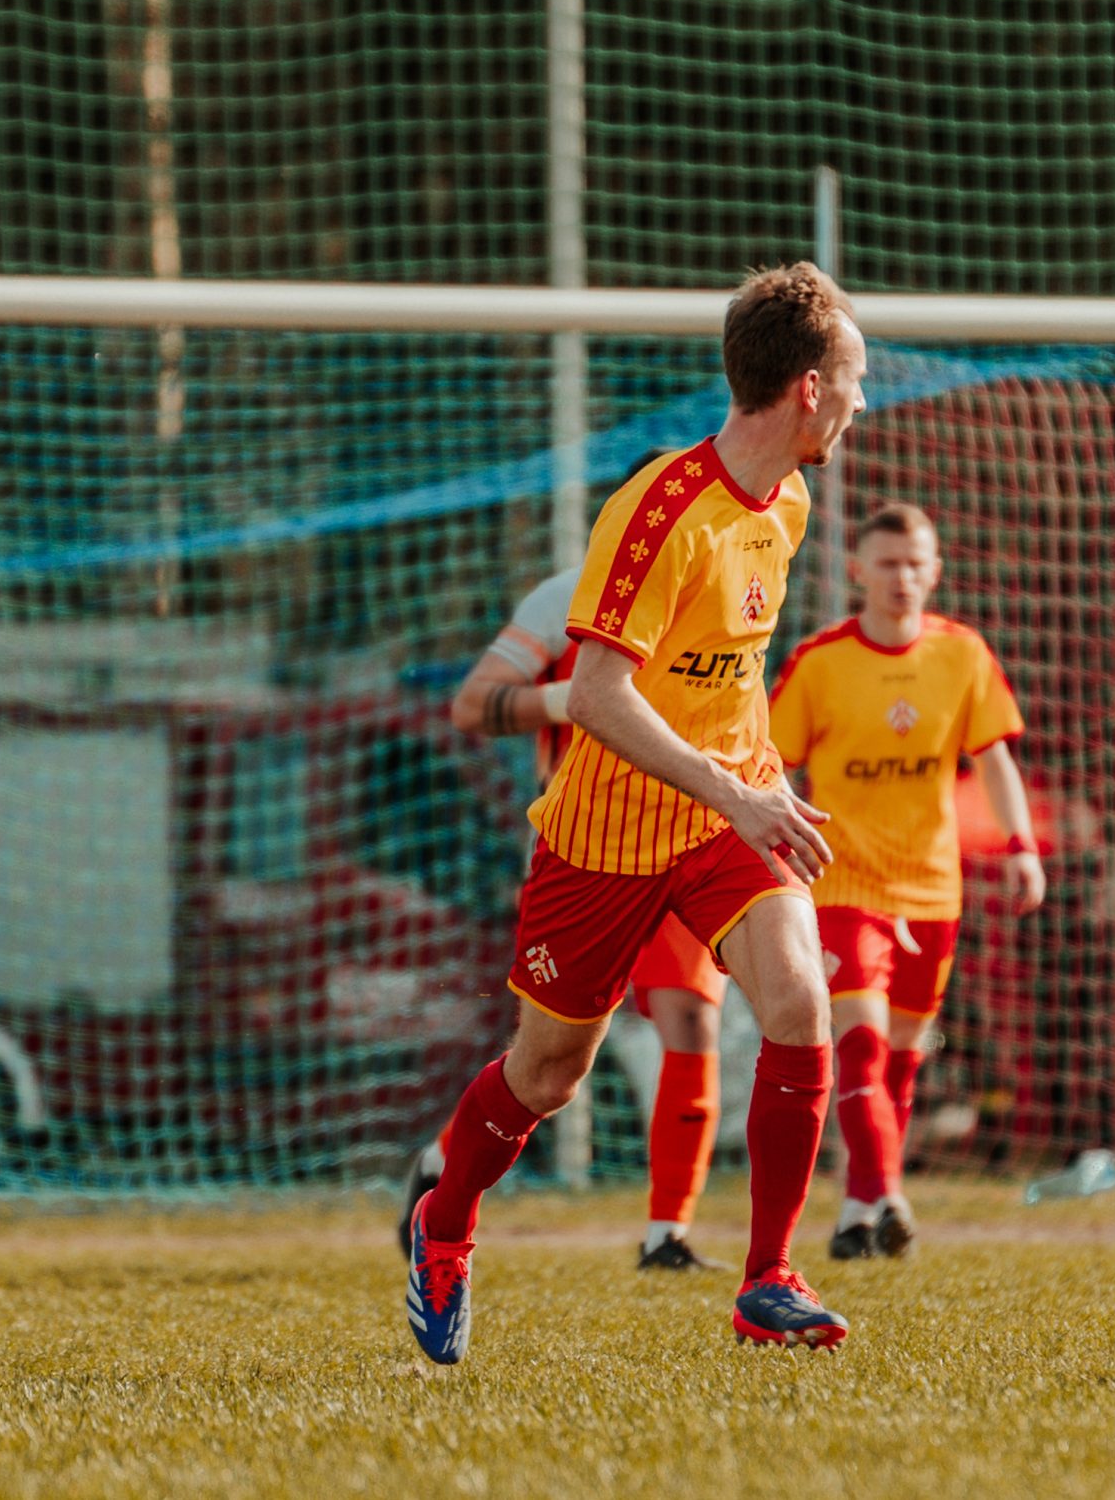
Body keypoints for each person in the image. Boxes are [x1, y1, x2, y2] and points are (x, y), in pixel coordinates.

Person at [402, 262, 867, 1362]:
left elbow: (729, 672)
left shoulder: (788, 502)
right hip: (604, 837)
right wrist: (736, 790)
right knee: (547, 1074)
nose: (861, 401)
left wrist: (754, 785)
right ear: (808, 387)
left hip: (722, 817)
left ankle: (769, 1279)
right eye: (854, 379)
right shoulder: (662, 511)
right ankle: (443, 1222)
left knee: (800, 999)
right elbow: (599, 696)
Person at [406, 526, 731, 1273]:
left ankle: (667, 1235)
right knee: (549, 1057)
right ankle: (442, 1168)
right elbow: (472, 705)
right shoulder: (568, 597)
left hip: (691, 836)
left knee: (692, 1018)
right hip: (587, 849)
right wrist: (584, 697)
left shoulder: (725, 593)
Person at [770, 502, 1044, 1260]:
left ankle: (859, 1214)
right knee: (858, 1047)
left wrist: (1022, 846)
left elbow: (994, 759)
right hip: (843, 884)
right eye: (888, 563)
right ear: (858, 570)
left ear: (936, 571)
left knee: (900, 1061)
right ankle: (889, 1193)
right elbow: (770, 762)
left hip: (932, 890)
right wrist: (783, 837)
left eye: (915, 563)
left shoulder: (962, 654)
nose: (902, 578)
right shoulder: (820, 662)